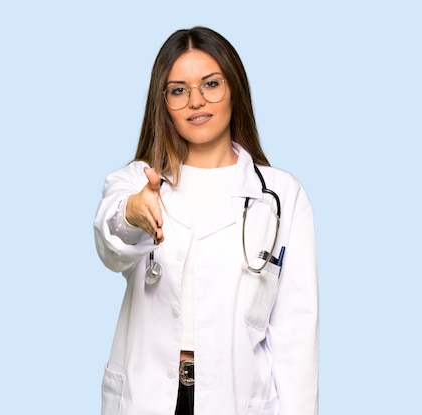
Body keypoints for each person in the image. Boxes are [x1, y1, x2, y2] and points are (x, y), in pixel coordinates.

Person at [94, 26, 318, 415]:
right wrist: (132, 213)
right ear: (163, 102)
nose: (196, 101)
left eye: (210, 84)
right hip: (149, 396)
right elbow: (111, 241)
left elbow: (295, 334)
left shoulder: (281, 196)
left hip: (235, 398)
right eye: (179, 90)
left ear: (235, 89)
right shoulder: (139, 181)